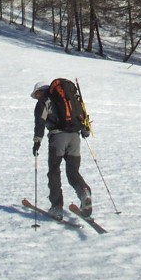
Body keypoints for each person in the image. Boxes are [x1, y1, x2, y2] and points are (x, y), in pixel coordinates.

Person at [31, 80, 92, 221]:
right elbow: (80, 114)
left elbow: (40, 122)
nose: (37, 97)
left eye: (37, 94)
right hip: (75, 138)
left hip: (58, 138)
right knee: (72, 172)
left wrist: (37, 142)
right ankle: (84, 191)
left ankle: (56, 207)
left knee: (54, 171)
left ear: (40, 91)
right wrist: (86, 130)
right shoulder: (69, 99)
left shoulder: (44, 101)